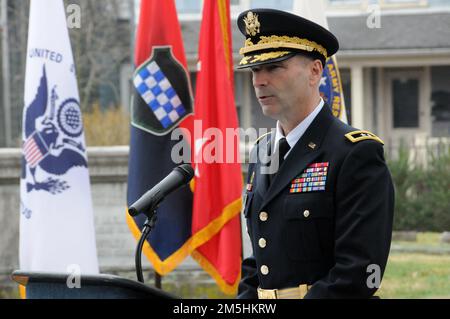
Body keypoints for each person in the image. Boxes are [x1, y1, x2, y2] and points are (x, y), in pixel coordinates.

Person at [237, 8, 394, 299]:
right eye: (255, 69)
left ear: (315, 71)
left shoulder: (355, 153)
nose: (259, 80)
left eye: (274, 67)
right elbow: (257, 258)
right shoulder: (262, 151)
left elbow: (358, 273)